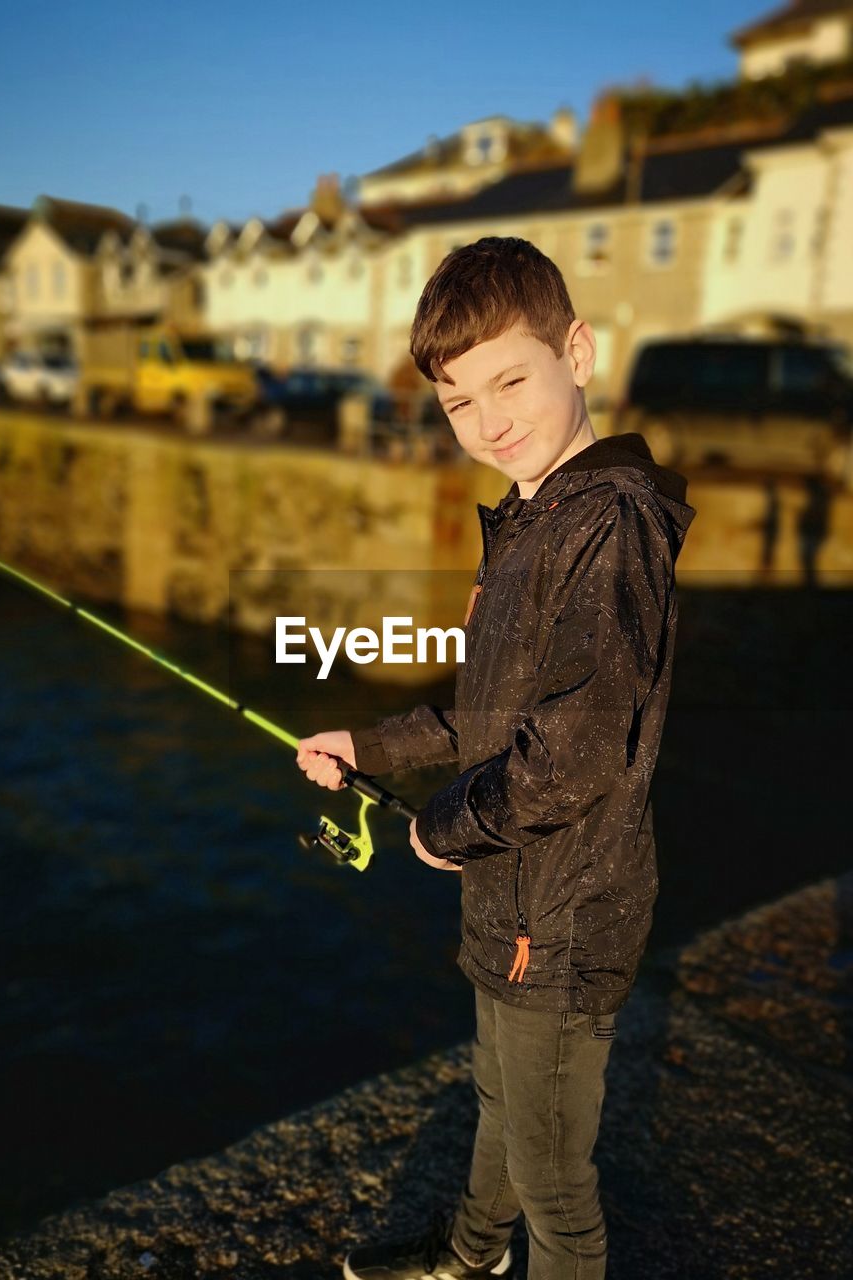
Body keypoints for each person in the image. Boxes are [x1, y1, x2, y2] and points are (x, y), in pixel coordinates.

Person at [296, 237, 696, 1280]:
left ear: (580, 351)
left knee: (556, 1178)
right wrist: (370, 746)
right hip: (510, 905)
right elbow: (494, 714)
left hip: (561, 922)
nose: (489, 419)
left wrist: (440, 827)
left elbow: (572, 753)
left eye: (510, 379)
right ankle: (469, 1254)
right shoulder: (533, 518)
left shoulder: (607, 525)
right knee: (498, 1104)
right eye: (459, 401)